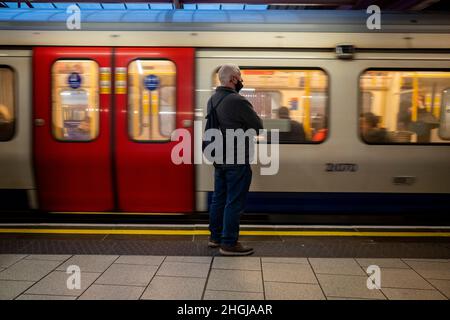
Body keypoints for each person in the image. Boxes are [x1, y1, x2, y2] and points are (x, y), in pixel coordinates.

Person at [207, 64, 263, 256]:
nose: (241, 81)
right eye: (239, 77)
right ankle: (229, 243)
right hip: (237, 159)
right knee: (234, 201)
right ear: (232, 79)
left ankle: (215, 237)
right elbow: (258, 126)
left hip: (219, 158)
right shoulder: (238, 100)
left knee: (219, 199)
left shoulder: (212, 99)